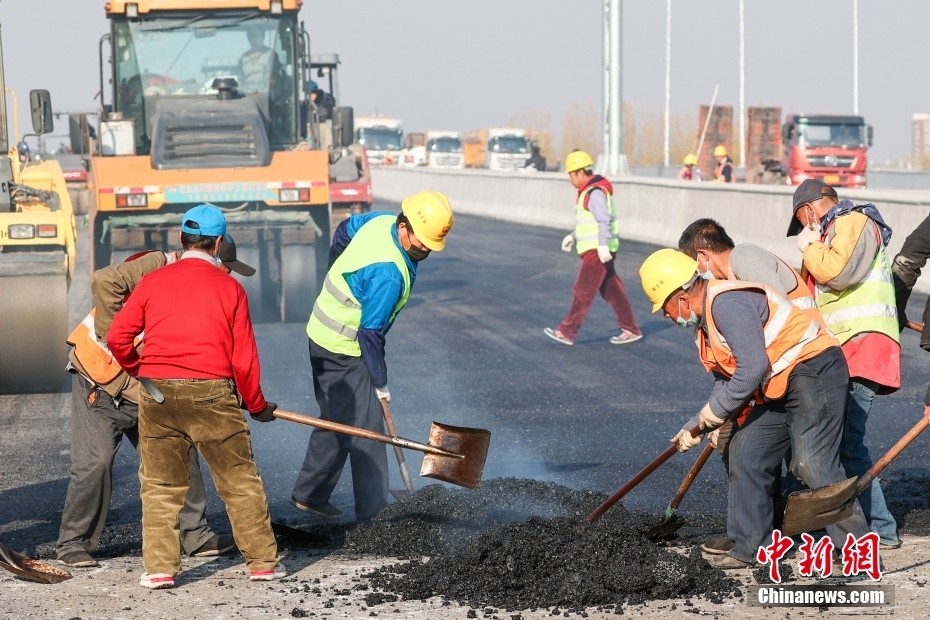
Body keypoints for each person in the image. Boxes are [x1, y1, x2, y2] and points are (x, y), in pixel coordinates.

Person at [639, 249, 870, 569]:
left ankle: (857, 550)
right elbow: (727, 380)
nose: (665, 315)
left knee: (811, 461)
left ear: (680, 296)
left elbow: (752, 367)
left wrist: (714, 413)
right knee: (745, 450)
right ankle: (751, 547)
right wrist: (699, 424)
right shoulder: (705, 327)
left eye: (663, 307)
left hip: (814, 369)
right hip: (780, 386)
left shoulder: (726, 304)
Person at [107, 205, 282, 590]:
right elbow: (244, 360)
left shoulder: (152, 282)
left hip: (156, 392)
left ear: (181, 239)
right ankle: (263, 564)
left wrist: (140, 371)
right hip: (212, 394)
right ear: (219, 243)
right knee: (239, 482)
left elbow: (117, 337)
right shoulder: (230, 288)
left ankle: (159, 570)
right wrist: (256, 406)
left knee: (160, 486)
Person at [56, 239, 254, 568]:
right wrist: (110, 335)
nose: (227, 277)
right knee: (96, 463)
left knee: (180, 450)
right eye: (226, 268)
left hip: (147, 386)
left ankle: (195, 535)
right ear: (212, 254)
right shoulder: (158, 266)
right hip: (98, 379)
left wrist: (243, 397)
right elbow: (104, 280)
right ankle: (73, 543)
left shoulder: (207, 296)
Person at [291, 192, 454, 521]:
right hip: (343, 348)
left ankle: (310, 493)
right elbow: (370, 333)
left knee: (338, 419)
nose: (424, 250)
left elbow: (343, 230)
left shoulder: (381, 221)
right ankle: (374, 513)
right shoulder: (389, 273)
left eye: (429, 246)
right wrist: (380, 381)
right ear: (404, 226)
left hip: (322, 334)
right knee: (369, 432)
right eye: (421, 243)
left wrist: (335, 269)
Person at [677, 218, 822, 556]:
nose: (696, 277)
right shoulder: (724, 293)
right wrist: (713, 416)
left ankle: (784, 534)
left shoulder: (744, 260)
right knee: (741, 447)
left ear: (703, 257)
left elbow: (773, 316)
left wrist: (731, 405)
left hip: (801, 365)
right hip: (774, 376)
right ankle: (750, 533)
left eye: (693, 267)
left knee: (805, 460)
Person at [788, 179, 902, 548]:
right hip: (847, 348)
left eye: (803, 222)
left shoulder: (851, 221)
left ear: (807, 210)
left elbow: (837, 273)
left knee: (845, 443)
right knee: (841, 442)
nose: (806, 230)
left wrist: (808, 249)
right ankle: (871, 526)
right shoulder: (836, 231)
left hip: (862, 345)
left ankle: (881, 529)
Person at [544, 150, 642, 346]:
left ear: (581, 173)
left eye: (571, 175)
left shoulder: (593, 193)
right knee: (611, 289)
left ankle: (567, 331)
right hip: (598, 248)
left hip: (597, 250)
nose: (570, 179)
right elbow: (588, 223)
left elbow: (603, 220)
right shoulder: (588, 192)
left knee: (583, 290)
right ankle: (631, 329)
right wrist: (573, 236)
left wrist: (603, 245)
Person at [237, 26, 282, 92]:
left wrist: (271, 81)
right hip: (247, 93)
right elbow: (239, 77)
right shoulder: (244, 57)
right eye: (253, 36)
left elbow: (275, 76)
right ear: (249, 39)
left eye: (258, 36)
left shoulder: (271, 54)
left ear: (263, 37)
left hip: (266, 93)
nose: (256, 39)